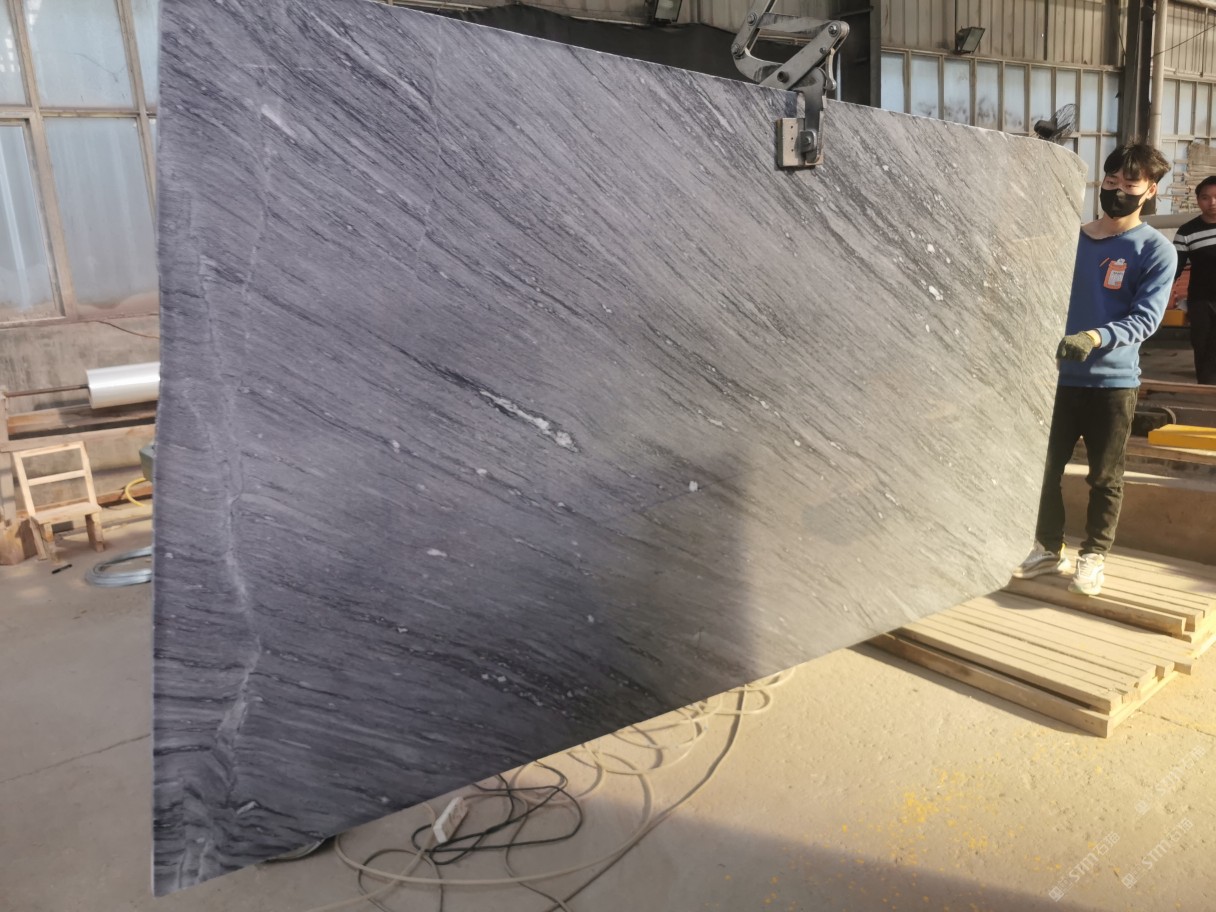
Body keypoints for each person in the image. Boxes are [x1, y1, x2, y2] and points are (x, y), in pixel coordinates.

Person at [1013, 143, 1177, 596]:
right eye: (1111, 180)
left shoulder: (1155, 250)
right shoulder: (1071, 239)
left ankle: (1094, 556)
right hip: (1056, 380)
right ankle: (1049, 548)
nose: (1118, 190)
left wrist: (1094, 337)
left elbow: (1146, 318)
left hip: (1112, 384)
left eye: (1130, 183)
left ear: (1150, 190)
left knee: (1105, 476)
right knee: (1043, 469)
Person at [1172, 175, 1216, 384]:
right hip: (1201, 300)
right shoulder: (1187, 232)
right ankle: (1205, 389)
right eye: (1206, 197)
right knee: (1202, 344)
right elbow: (1175, 267)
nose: (1212, 202)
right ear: (1198, 200)